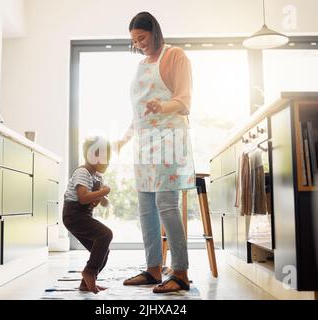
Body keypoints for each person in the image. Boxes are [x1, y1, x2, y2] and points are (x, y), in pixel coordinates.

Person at [116, 11, 196, 293]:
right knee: (145, 208)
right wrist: (124, 139)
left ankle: (181, 272)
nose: (139, 44)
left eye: (142, 37)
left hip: (169, 140)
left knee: (166, 205)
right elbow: (138, 113)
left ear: (155, 32)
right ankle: (152, 269)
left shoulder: (175, 56)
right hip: (144, 144)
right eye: (135, 40)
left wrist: (163, 107)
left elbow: (184, 101)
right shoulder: (140, 65)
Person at [62, 137, 112, 294]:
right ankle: (89, 272)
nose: (108, 163)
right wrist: (103, 192)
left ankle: (86, 282)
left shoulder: (97, 177)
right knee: (106, 234)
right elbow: (83, 198)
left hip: (83, 216)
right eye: (106, 159)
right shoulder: (82, 172)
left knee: (102, 251)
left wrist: (102, 196)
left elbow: (103, 203)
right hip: (74, 215)